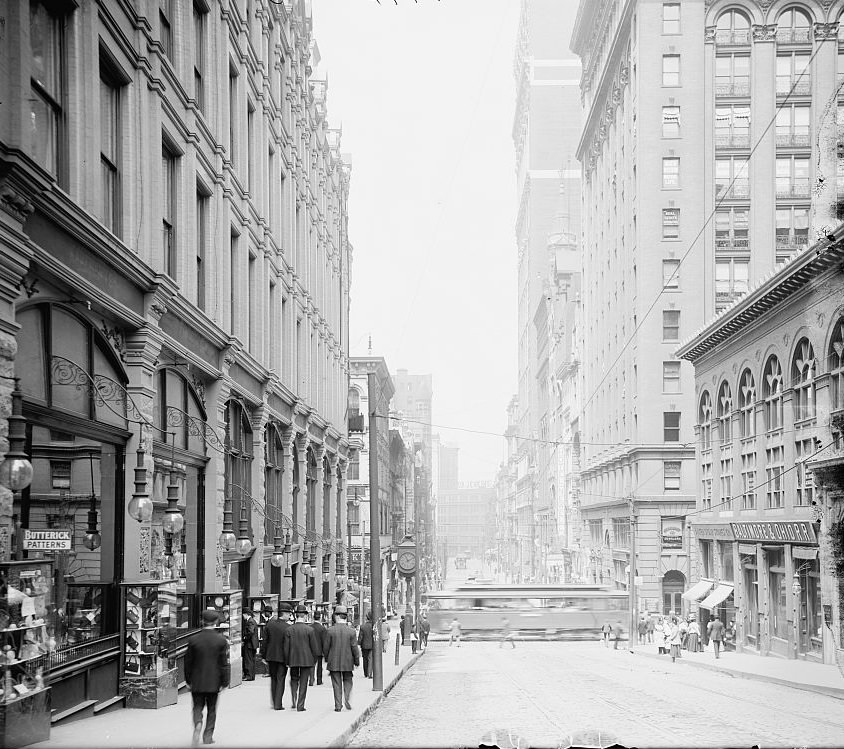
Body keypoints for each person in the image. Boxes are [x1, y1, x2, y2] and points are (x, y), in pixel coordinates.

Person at [185, 609, 230, 746]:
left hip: (197, 681)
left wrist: (188, 680)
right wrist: (225, 681)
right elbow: (224, 663)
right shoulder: (221, 640)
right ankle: (208, 736)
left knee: (197, 706)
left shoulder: (193, 640)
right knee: (212, 709)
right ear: (216, 622)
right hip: (214, 681)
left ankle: (198, 722)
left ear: (202, 621)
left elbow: (188, 662)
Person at [283, 605, 321, 711]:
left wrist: (287, 661)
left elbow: (286, 648)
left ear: (296, 615)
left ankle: (294, 699)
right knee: (304, 682)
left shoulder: (289, 630)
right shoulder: (310, 630)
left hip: (293, 659)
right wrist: (313, 661)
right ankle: (300, 705)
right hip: (306, 660)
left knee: (294, 679)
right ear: (305, 616)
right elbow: (314, 648)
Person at [324, 605, 359, 712]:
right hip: (348, 661)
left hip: (333, 661)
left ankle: (338, 705)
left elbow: (326, 647)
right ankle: (347, 698)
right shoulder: (351, 631)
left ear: (337, 616)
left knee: (336, 683)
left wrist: (326, 658)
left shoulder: (330, 630)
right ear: (345, 617)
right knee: (348, 680)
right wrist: (356, 660)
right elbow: (354, 647)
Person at [262, 604, 290, 710]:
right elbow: (288, 645)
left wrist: (263, 656)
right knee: (280, 679)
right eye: (289, 614)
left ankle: (274, 701)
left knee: (273, 679)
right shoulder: (288, 627)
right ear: (285, 614)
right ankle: (278, 704)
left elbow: (265, 641)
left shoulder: (270, 625)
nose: (289, 616)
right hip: (283, 657)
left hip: (271, 656)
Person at [309, 611, 328, 687]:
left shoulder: (309, 627)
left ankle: (311, 679)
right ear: (320, 618)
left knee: (311, 665)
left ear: (313, 617)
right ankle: (319, 680)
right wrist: (325, 652)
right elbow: (324, 641)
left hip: (311, 649)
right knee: (319, 666)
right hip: (319, 650)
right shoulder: (322, 628)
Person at [242, 610, 258, 681]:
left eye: (243, 614)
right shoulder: (252, 620)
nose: (242, 616)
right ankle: (251, 676)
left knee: (248, 660)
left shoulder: (250, 621)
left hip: (249, 644)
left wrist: (245, 637)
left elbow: (251, 631)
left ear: (246, 614)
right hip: (252, 644)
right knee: (251, 660)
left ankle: (249, 676)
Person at [357, 612, 374, 678]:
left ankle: (366, 673)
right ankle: (370, 673)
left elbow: (360, 637)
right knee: (371, 659)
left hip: (364, 646)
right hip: (373, 645)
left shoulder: (363, 626)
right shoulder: (374, 626)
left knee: (365, 659)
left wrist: (359, 643)